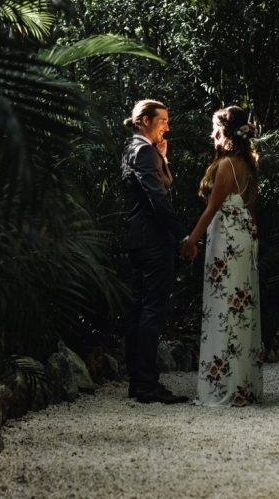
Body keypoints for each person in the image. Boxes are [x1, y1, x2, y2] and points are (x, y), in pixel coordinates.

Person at [180, 106, 264, 406]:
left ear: (225, 132)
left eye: (215, 128)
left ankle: (222, 388)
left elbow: (212, 208)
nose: (211, 133)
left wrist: (191, 241)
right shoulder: (247, 163)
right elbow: (250, 210)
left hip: (227, 240)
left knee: (224, 308)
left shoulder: (228, 165)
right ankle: (242, 386)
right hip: (244, 236)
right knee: (239, 308)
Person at [120, 99, 192, 404]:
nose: (167, 126)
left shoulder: (131, 149)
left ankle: (138, 382)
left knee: (139, 311)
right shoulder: (144, 151)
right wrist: (183, 235)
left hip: (137, 240)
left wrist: (163, 158)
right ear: (146, 120)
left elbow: (160, 184)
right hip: (153, 242)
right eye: (163, 120)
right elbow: (157, 198)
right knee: (152, 311)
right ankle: (147, 384)